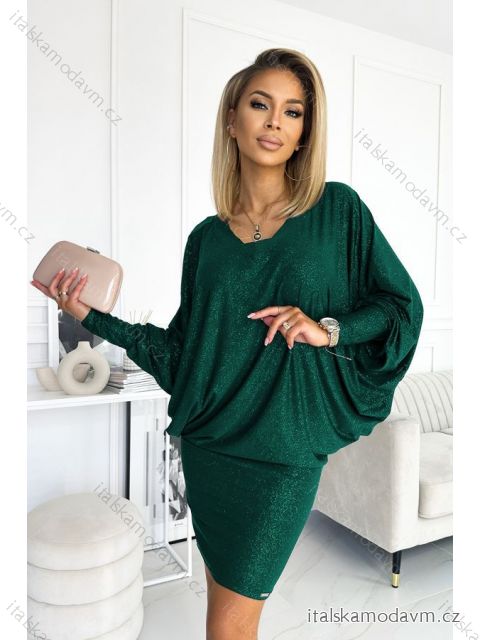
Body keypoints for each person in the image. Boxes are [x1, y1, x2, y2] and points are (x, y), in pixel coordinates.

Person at [31, 48, 424, 640]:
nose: (275, 122)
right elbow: (183, 355)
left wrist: (328, 329)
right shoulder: (206, 240)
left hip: (283, 457)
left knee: (230, 625)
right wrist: (92, 317)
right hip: (210, 448)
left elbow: (399, 307)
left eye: (293, 112)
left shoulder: (338, 210)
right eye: (261, 105)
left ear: (304, 132)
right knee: (228, 613)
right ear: (232, 119)